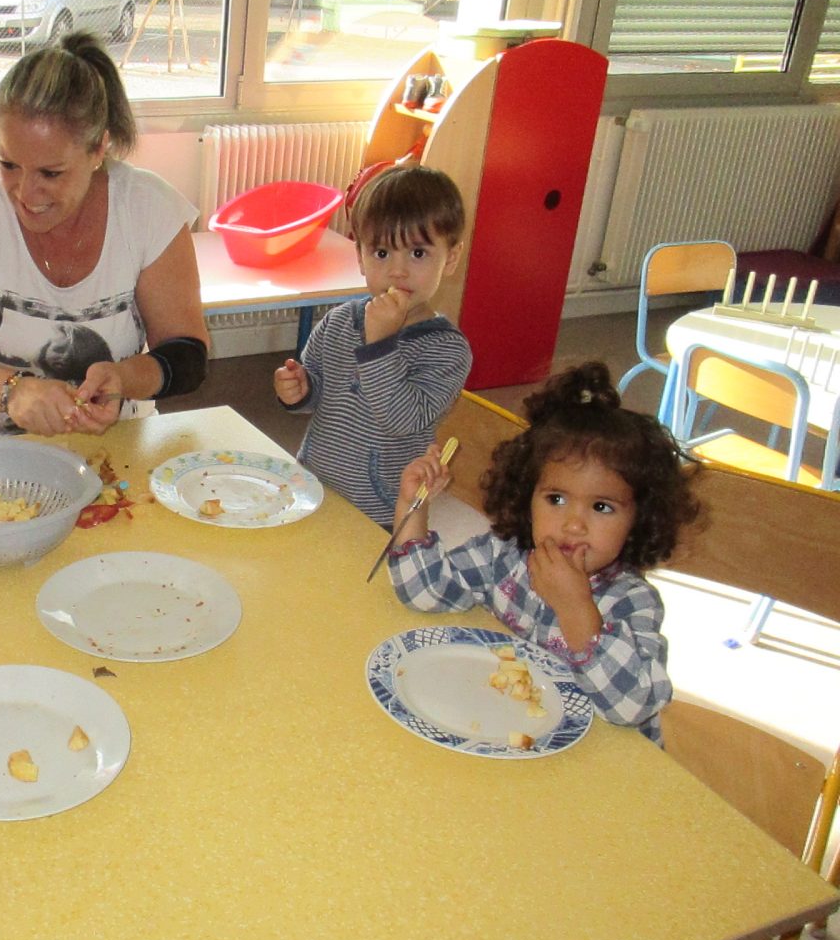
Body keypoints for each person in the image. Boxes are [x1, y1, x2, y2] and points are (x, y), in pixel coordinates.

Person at [0, 30, 210, 447]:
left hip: (117, 432)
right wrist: (11, 390)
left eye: (51, 173)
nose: (26, 194)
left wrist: (121, 378)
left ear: (99, 149)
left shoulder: (148, 208)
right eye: (8, 164)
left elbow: (188, 356)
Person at [383, 362, 701, 743]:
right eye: (556, 498)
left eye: (601, 507)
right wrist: (413, 506)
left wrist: (576, 609)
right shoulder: (505, 556)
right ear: (527, 495)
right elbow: (424, 591)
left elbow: (634, 707)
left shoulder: (632, 601)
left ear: (640, 518)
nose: (573, 523)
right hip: (503, 729)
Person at [274, 164, 472, 527]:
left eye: (417, 253)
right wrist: (301, 390)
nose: (398, 271)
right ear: (360, 258)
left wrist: (380, 341)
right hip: (314, 488)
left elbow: (401, 419)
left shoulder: (447, 350)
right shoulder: (339, 321)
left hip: (382, 509)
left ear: (451, 258)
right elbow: (320, 390)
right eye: (381, 253)